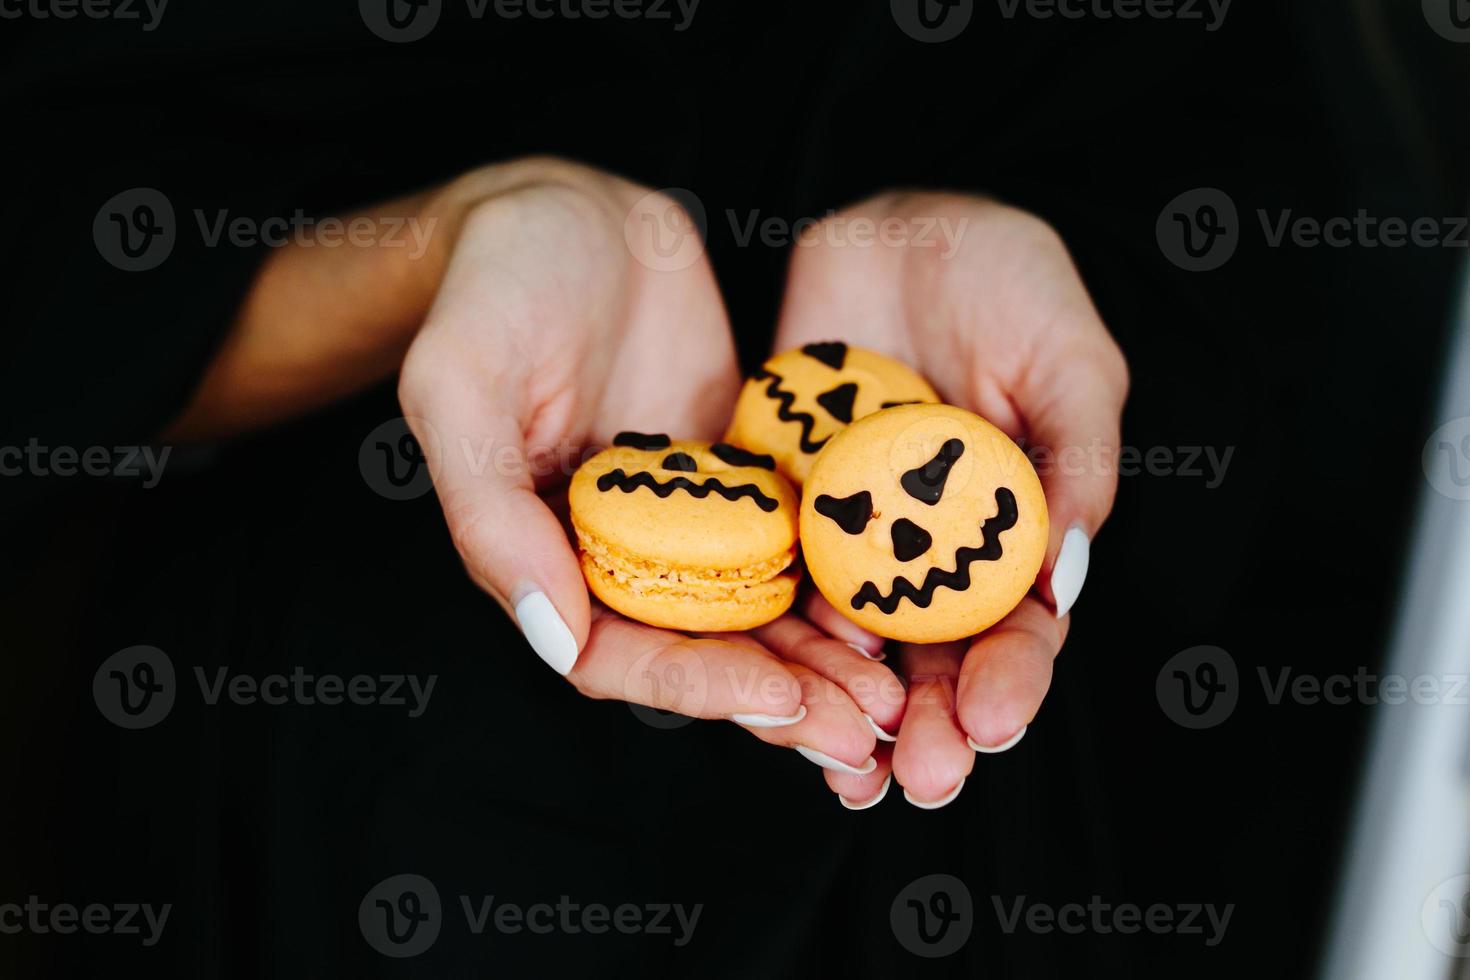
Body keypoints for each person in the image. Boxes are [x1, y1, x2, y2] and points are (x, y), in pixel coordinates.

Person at [163, 155, 1128, 808]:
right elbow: (104, 354)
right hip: (387, 700)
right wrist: (461, 235)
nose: (911, 525)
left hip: (1047, 793)